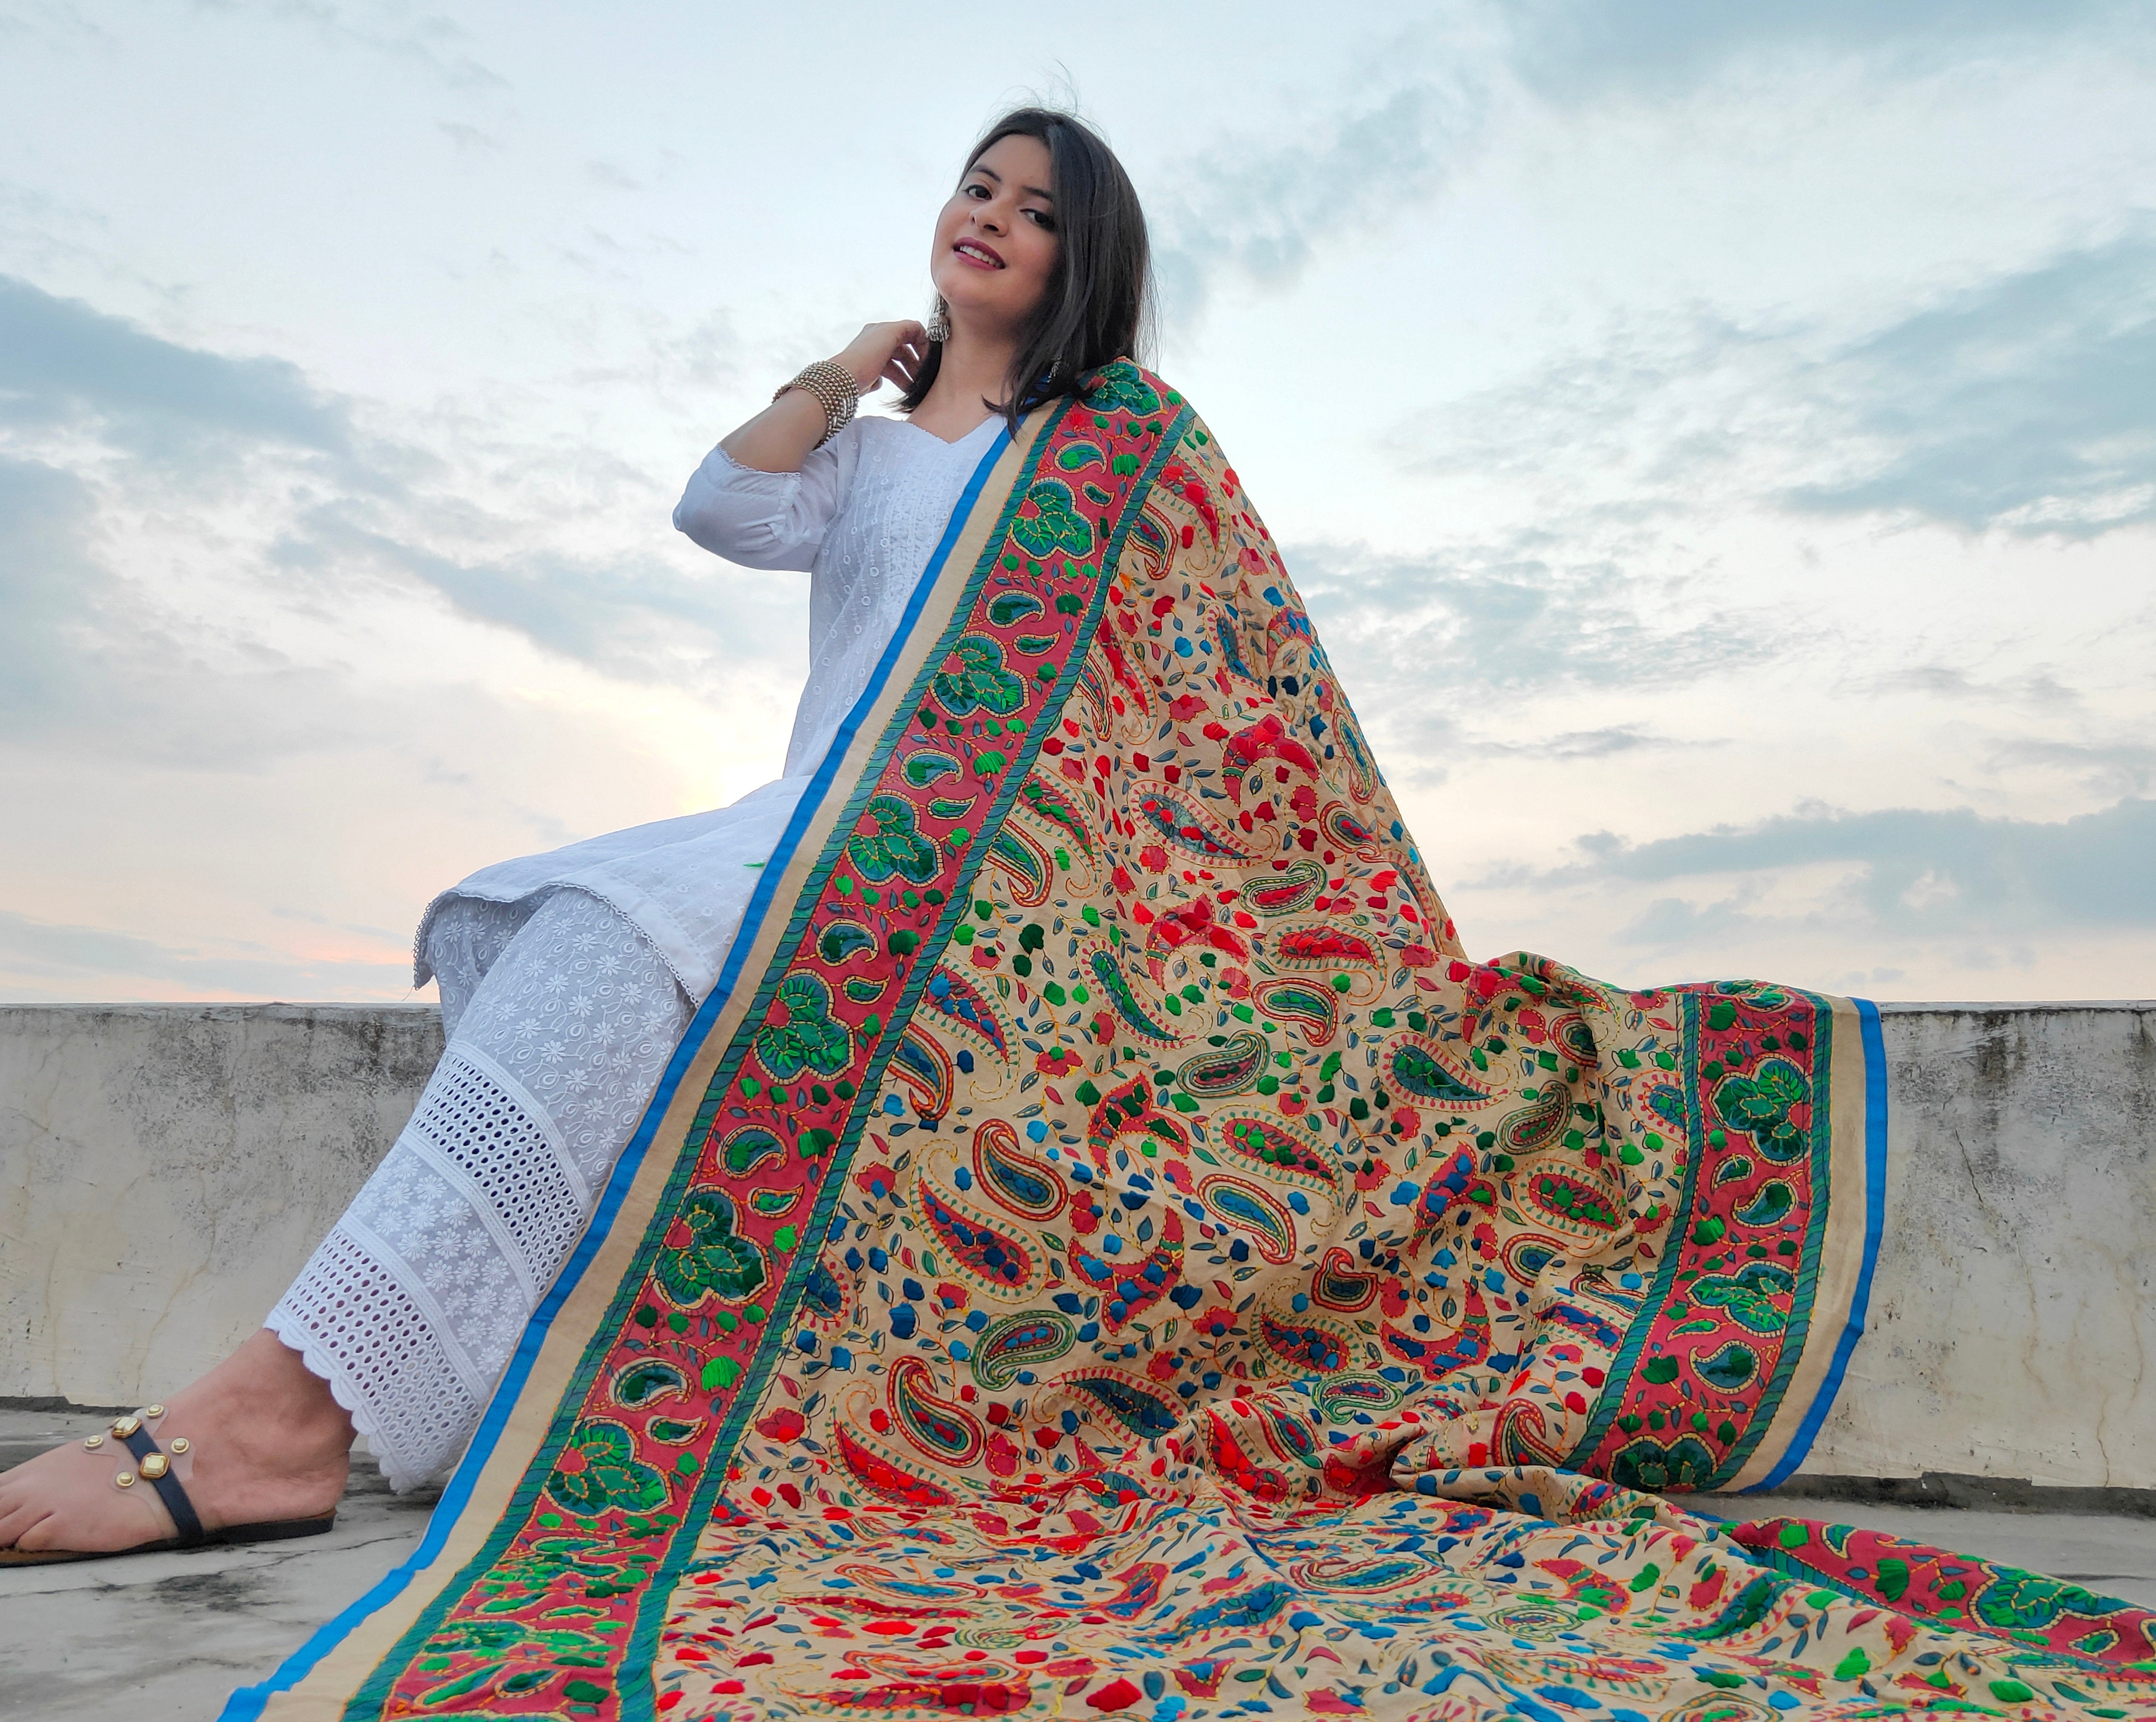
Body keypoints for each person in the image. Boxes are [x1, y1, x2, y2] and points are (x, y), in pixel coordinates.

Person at [0, 108, 1126, 1562]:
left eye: (1035, 209)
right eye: (977, 186)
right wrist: (851, 371)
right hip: (814, 822)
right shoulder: (871, 459)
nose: (990, 212)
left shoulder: (1091, 458)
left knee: (613, 920)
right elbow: (720, 501)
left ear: (1081, 258)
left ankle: (279, 1416)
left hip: (962, 852)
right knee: (558, 916)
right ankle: (378, 1395)